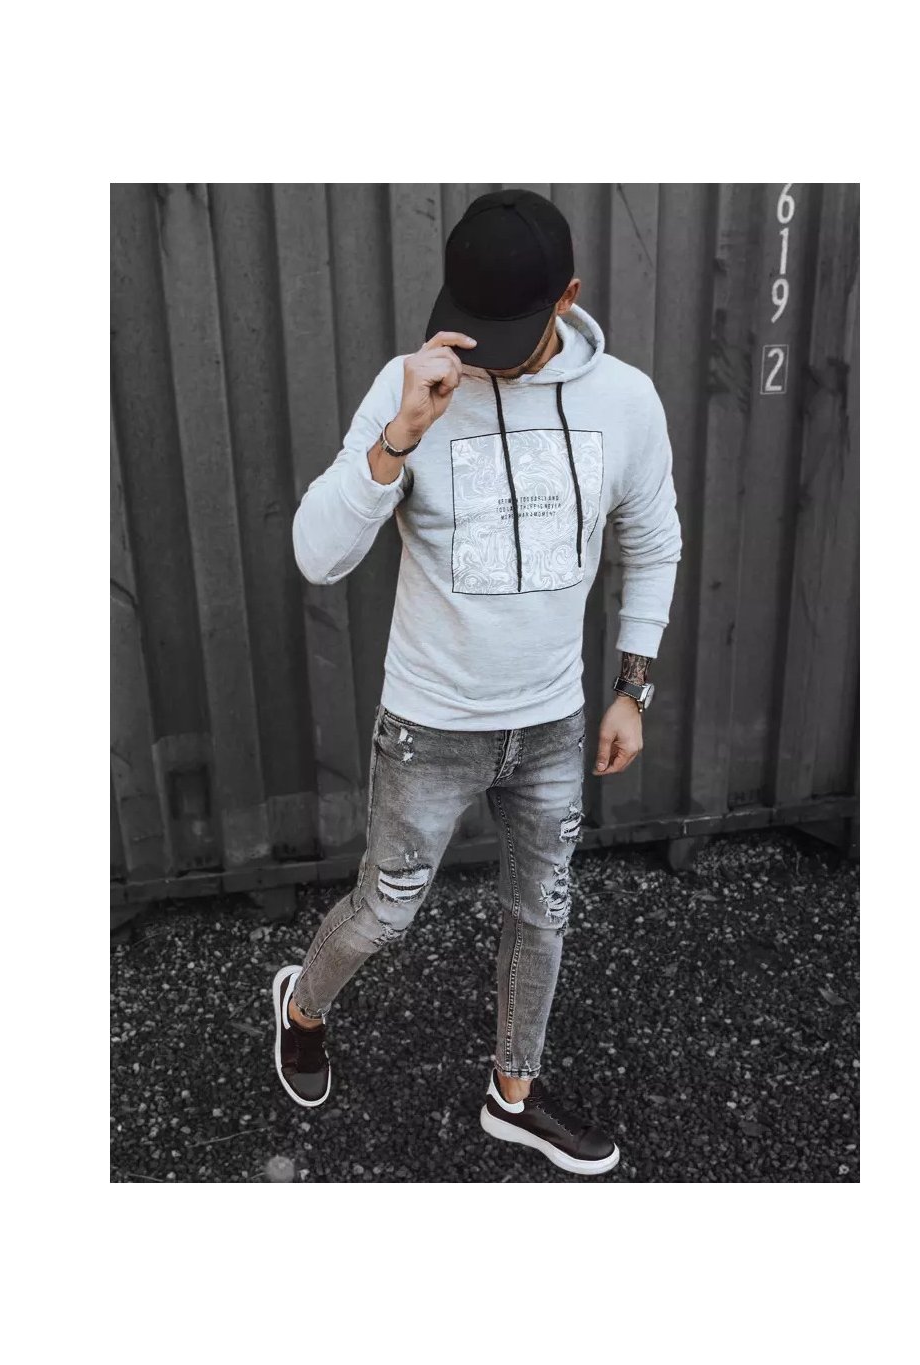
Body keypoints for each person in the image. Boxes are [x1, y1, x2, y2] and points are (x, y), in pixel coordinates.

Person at [273, 189, 682, 1177]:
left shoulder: (625, 402)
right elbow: (316, 556)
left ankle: (514, 1094)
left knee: (543, 911)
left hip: (551, 723)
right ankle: (301, 1005)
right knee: (385, 911)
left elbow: (652, 540)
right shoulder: (411, 384)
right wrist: (400, 434)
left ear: (567, 298)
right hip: (431, 726)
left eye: (510, 332)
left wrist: (632, 688)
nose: (486, 355)